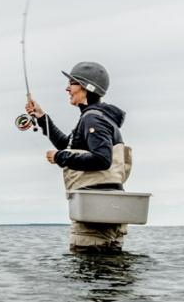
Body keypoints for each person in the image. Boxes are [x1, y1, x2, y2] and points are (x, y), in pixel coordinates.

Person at [24, 62, 132, 254]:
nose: (67, 88)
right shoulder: (98, 117)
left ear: (86, 87)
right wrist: (42, 117)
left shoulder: (93, 118)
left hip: (95, 214)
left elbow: (101, 159)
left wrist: (60, 157)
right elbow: (70, 145)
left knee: (87, 278)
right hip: (107, 210)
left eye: (71, 83)